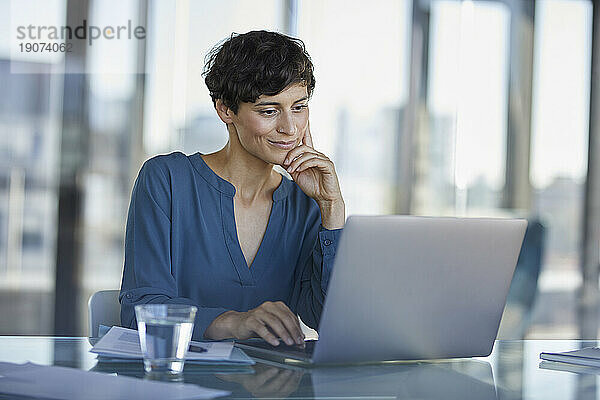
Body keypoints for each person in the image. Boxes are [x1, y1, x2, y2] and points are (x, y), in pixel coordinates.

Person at [119, 30, 345, 346]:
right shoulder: (167, 180)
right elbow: (139, 312)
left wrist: (331, 208)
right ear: (226, 109)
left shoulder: (305, 204)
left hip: (273, 390)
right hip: (178, 387)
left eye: (298, 106)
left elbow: (330, 321)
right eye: (269, 110)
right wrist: (236, 322)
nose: (290, 128)